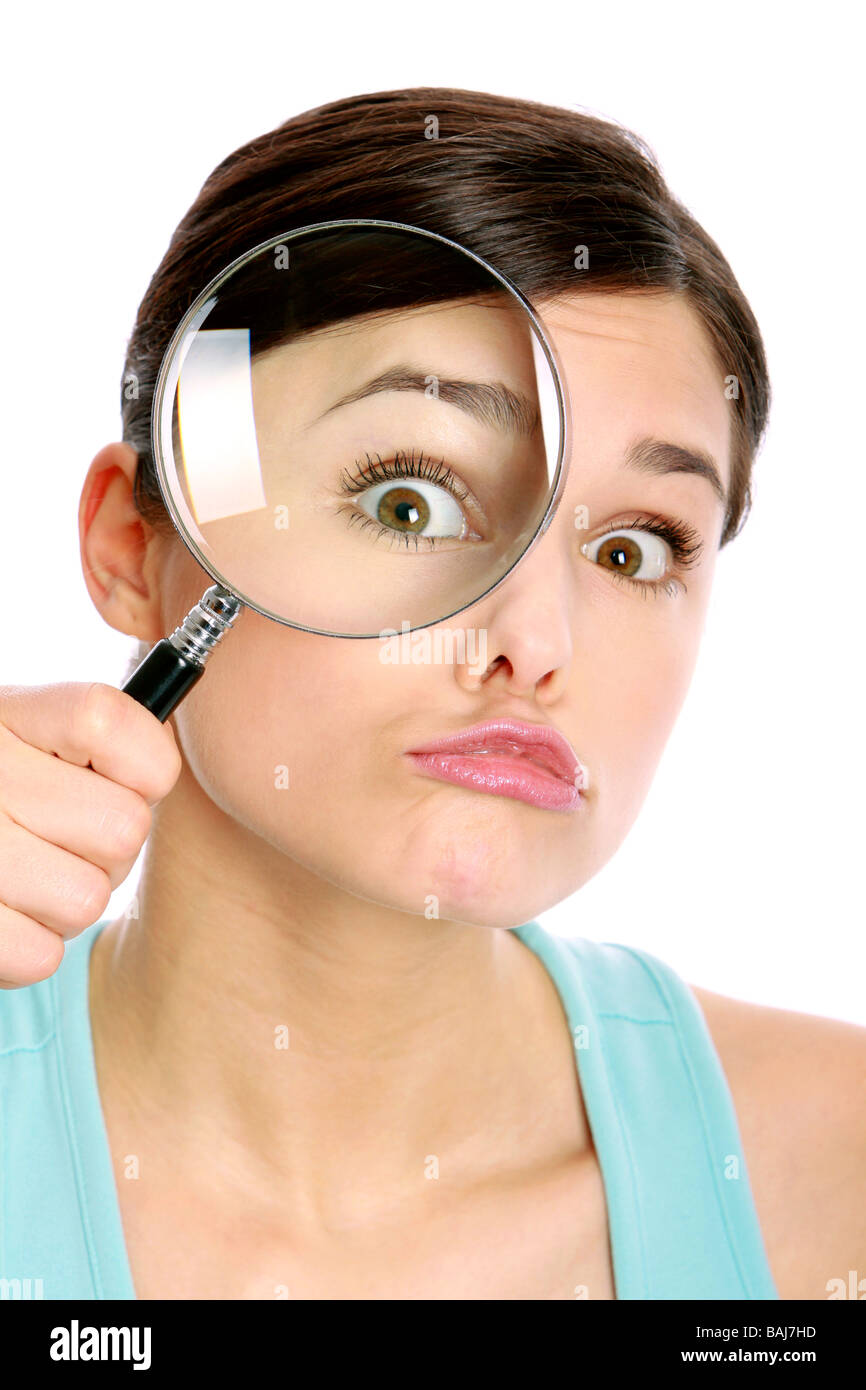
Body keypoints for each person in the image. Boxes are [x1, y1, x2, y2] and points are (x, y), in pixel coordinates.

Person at [1, 87, 863, 1302]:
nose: (537, 641)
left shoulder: (838, 1180)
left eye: (634, 548)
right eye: (412, 500)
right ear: (136, 546)